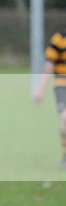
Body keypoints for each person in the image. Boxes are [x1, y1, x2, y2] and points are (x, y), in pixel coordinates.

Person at [33, 28, 66, 170]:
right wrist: (41, 90)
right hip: (62, 84)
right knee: (65, 118)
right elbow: (48, 66)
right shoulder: (59, 39)